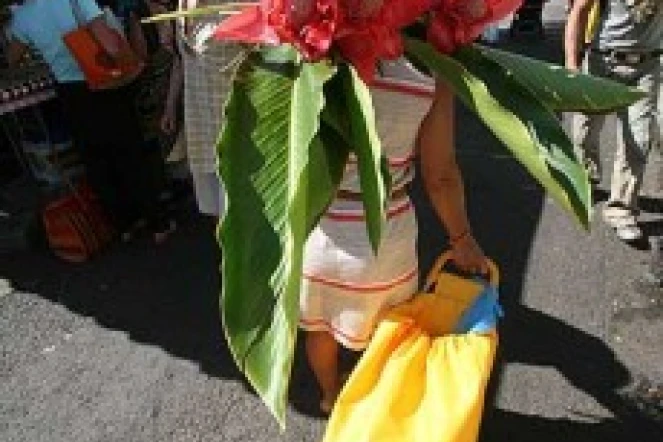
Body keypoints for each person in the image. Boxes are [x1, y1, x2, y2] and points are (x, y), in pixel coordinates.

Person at [298, 58, 489, 412]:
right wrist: (462, 238)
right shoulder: (431, 68)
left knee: (319, 328)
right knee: (392, 334)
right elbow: (440, 175)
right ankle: (379, 409)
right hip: (386, 237)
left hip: (319, 229)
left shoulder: (309, 51)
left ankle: (330, 396)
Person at [6, 0, 175, 244]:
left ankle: (124, 225)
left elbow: (13, 57)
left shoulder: (22, 16)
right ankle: (158, 223)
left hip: (70, 93)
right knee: (130, 152)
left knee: (96, 158)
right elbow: (111, 46)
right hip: (104, 83)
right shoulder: (77, 1)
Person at [564, 0, 662, 242]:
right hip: (602, 63)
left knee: (637, 141)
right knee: (584, 132)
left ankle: (622, 210)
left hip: (646, 69)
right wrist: (571, 65)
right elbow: (579, 10)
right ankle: (585, 179)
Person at [160, 0, 242, 220]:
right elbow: (184, 60)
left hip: (238, 137)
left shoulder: (241, 6)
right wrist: (170, 105)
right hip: (203, 132)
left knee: (242, 214)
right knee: (217, 214)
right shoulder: (183, 5)